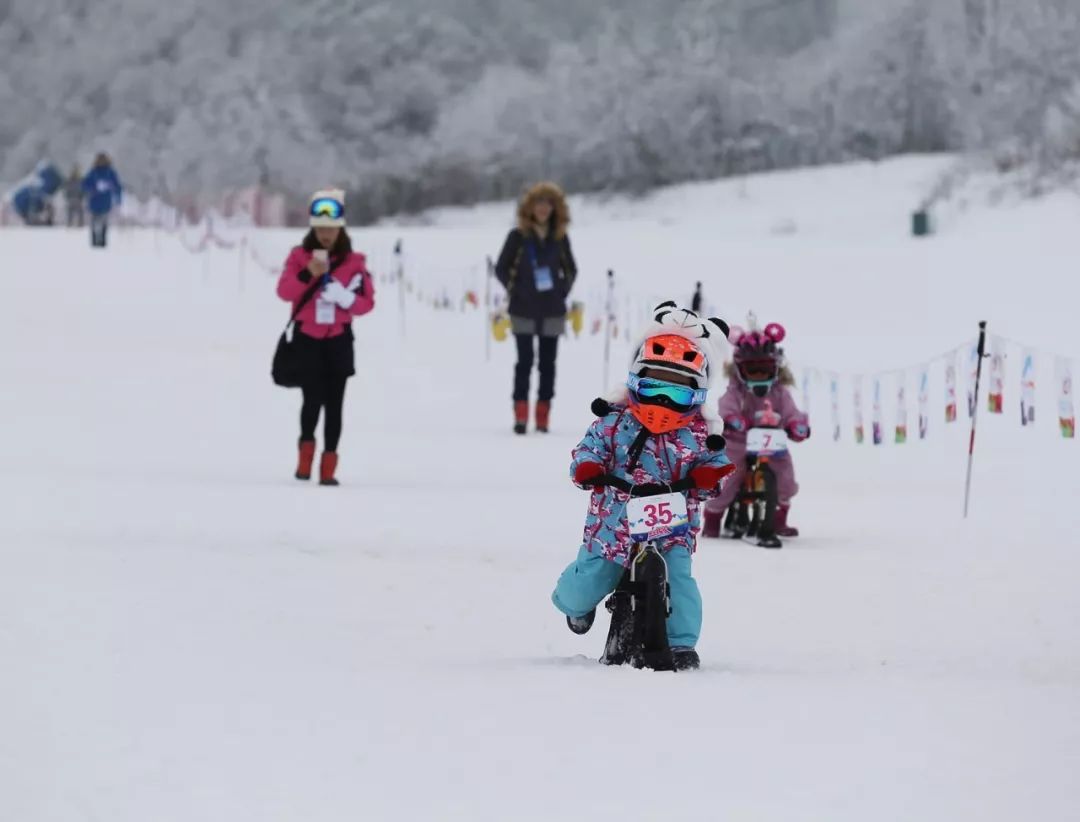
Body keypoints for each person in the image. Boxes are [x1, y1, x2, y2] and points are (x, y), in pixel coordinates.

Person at [551, 303, 734, 671]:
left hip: (671, 527)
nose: (663, 403)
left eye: (678, 395)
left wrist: (710, 476)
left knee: (679, 579)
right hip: (613, 524)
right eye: (653, 388)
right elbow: (590, 448)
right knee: (591, 575)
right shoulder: (614, 421)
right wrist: (589, 467)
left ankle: (681, 642)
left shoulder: (700, 432)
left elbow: (714, 463)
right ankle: (575, 605)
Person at [276, 189, 375, 486]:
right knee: (311, 400)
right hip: (308, 339)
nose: (325, 235)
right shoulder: (298, 257)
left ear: (340, 228)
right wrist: (307, 274)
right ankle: (305, 458)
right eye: (320, 229)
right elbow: (284, 292)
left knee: (335, 404)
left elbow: (367, 303)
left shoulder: (354, 262)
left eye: (330, 229)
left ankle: (329, 464)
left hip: (339, 341)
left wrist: (346, 298)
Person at [701, 320, 810, 539]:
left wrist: (797, 425)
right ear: (740, 369)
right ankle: (713, 516)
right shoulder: (736, 390)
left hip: (772, 441)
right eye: (753, 370)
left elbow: (791, 412)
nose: (759, 375)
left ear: (775, 368)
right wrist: (732, 418)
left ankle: (779, 518)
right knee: (727, 475)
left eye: (764, 369)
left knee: (785, 476)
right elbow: (726, 405)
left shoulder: (780, 392)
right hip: (738, 440)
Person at [494, 182, 577, 434]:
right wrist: (516, 289)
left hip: (553, 309)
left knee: (548, 363)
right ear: (529, 208)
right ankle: (520, 415)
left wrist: (561, 291)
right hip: (522, 308)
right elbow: (501, 268)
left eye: (547, 204)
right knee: (524, 361)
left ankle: (543, 415)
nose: (543, 209)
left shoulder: (560, 238)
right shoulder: (517, 237)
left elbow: (571, 270)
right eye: (538, 204)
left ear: (555, 209)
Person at [81, 153, 122, 247]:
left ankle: (101, 242)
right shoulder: (94, 172)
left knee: (103, 222)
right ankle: (95, 241)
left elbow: (117, 186)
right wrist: (94, 188)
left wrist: (116, 195)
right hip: (96, 202)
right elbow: (84, 184)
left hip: (104, 202)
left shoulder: (110, 172)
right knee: (96, 222)